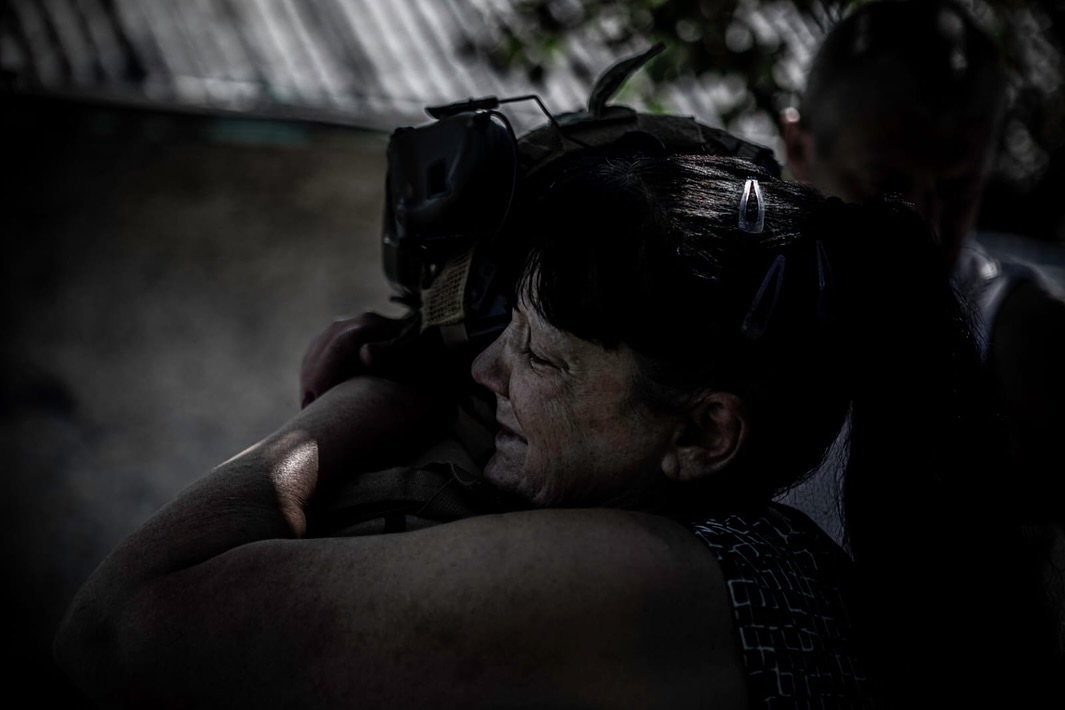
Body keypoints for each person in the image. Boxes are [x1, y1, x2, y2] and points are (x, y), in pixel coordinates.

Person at [54, 152, 1059, 708]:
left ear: (706, 432)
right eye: (504, 333)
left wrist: (376, 399)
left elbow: (124, 628)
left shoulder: (661, 579)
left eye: (537, 355)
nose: (487, 367)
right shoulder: (774, 557)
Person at [778, 0, 1065, 563]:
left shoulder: (1017, 342)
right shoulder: (736, 313)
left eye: (958, 192)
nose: (927, 229)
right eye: (886, 190)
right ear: (798, 150)